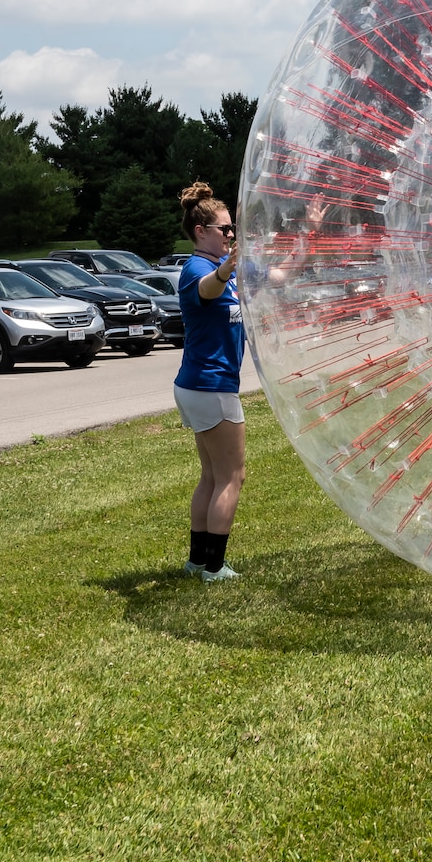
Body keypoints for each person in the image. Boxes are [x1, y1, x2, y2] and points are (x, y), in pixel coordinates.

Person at [175, 182, 246, 582]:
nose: (231, 235)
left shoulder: (226, 271)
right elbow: (207, 289)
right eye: (224, 230)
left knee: (211, 475)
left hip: (200, 385)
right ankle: (215, 567)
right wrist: (224, 269)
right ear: (201, 231)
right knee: (232, 476)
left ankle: (198, 560)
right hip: (210, 385)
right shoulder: (198, 269)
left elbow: (274, 274)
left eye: (232, 229)